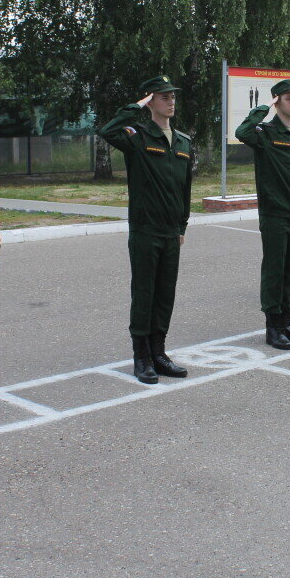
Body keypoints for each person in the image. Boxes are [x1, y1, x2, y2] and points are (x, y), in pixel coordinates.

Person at [99, 75, 193, 384]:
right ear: (151, 101)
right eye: (163, 97)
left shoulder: (183, 141)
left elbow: (185, 188)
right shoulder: (137, 135)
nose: (171, 101)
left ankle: (159, 353)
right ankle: (141, 358)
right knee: (144, 295)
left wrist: (182, 224)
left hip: (170, 230)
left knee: (165, 294)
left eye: (172, 97)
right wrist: (135, 106)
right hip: (145, 229)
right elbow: (108, 131)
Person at [236, 79, 290, 350]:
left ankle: (287, 323)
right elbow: (242, 131)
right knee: (275, 270)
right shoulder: (265, 132)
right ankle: (273, 327)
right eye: (288, 98)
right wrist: (264, 108)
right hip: (274, 214)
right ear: (278, 101)